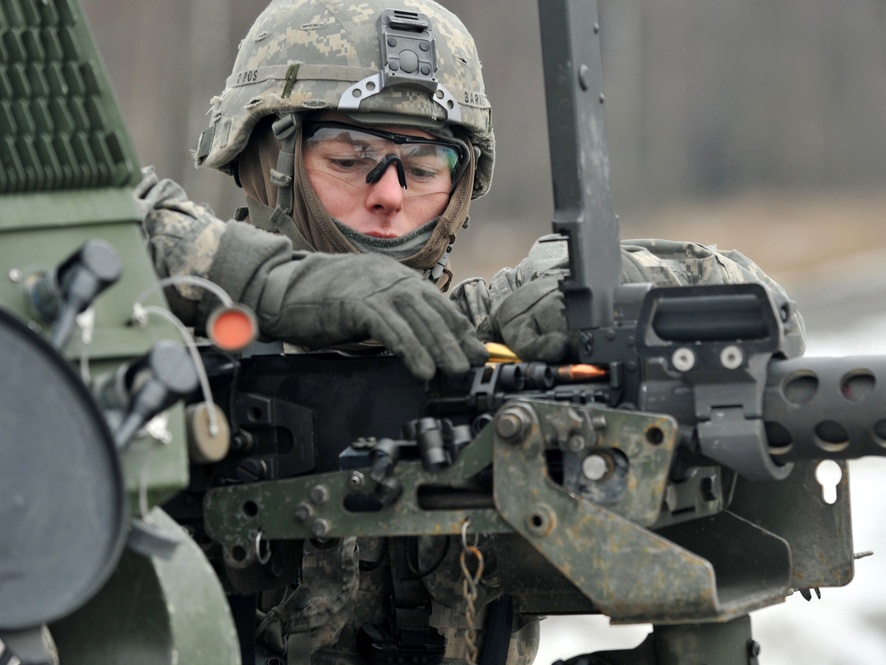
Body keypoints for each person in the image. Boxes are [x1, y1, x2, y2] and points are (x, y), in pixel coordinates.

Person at [135, 1, 806, 663]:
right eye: (349, 159)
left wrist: (604, 292)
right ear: (265, 160)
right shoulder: (154, 342)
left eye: (423, 168)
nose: (390, 195)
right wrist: (262, 283)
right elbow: (63, 227)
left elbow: (769, 315)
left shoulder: (488, 338)